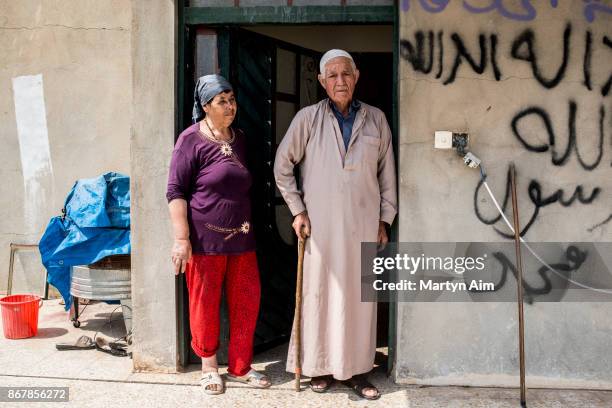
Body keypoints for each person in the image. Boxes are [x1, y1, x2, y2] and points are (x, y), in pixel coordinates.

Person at [274, 50, 397, 400]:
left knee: (359, 301)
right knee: (320, 296)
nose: (340, 81)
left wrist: (384, 220)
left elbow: (388, 176)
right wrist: (297, 211)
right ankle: (320, 367)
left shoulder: (376, 119)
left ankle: (357, 371)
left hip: (363, 224)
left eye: (346, 74)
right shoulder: (307, 119)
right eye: (332, 75)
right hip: (321, 228)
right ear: (322, 81)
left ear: (356, 76)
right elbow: (282, 166)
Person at [166, 74, 271, 395]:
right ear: (205, 106)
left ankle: (241, 367)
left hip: (242, 240)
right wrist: (182, 239)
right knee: (205, 304)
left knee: (246, 302)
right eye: (222, 101)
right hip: (204, 243)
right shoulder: (190, 140)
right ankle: (209, 367)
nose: (231, 106)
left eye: (232, 100)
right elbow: (175, 191)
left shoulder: (239, 138)